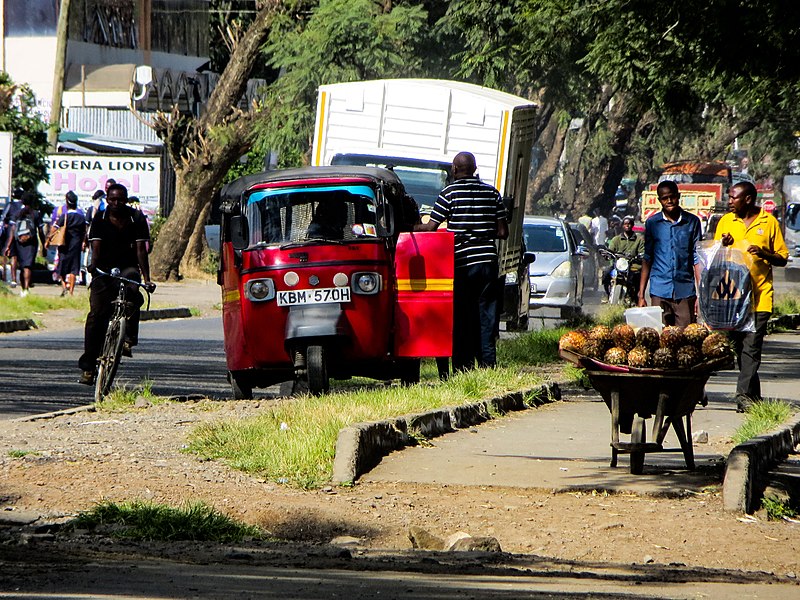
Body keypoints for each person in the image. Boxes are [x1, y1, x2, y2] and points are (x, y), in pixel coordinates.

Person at [414, 151, 508, 372]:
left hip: (462, 263)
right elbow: (503, 231)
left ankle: (462, 368)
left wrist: (409, 227)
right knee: (487, 317)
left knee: (463, 316)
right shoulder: (492, 193)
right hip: (487, 262)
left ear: (454, 170)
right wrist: (481, 231)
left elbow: (430, 228)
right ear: (475, 169)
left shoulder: (449, 193)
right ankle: (488, 366)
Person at [714, 181, 788, 412]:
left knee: (751, 347)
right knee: (740, 349)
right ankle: (754, 398)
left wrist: (764, 253)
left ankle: (743, 397)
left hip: (759, 298)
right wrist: (722, 245)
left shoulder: (769, 222)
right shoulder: (726, 221)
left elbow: (782, 258)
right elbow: (714, 256)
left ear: (747, 199)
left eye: (733, 198)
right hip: (732, 298)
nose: (729, 202)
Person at [78, 183, 155, 385]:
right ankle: (88, 367)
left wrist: (147, 279)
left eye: (120, 199)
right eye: (112, 199)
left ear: (126, 199)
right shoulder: (99, 219)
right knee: (96, 316)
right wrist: (93, 267)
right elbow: (96, 248)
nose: (116, 203)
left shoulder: (136, 218)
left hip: (128, 266)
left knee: (133, 293)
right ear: (107, 200)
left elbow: (141, 251)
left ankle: (128, 338)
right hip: (103, 269)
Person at [638, 180, 702, 327]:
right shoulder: (652, 223)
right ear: (659, 200)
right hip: (659, 290)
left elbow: (697, 258)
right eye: (664, 198)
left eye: (672, 197)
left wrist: (701, 294)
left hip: (685, 290)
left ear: (678, 196)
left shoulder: (692, 222)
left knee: (686, 338)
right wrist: (641, 294)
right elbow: (648, 258)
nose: (669, 201)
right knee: (660, 337)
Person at [3, 192, 45, 297]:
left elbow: (12, 230)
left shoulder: (18, 213)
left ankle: (23, 288)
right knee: (28, 266)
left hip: (18, 242)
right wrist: (44, 243)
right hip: (31, 243)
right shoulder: (35, 214)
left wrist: (8, 245)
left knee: (22, 266)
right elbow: (40, 231)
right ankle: (26, 288)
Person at [46, 191, 86, 296]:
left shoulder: (65, 216)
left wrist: (48, 239)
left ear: (67, 203)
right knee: (74, 268)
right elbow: (84, 232)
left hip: (64, 244)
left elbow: (55, 228)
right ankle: (71, 291)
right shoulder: (81, 217)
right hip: (76, 245)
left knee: (62, 266)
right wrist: (83, 242)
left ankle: (64, 287)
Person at [601, 215, 644, 301]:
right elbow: (610, 250)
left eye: (629, 224)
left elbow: (642, 252)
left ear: (632, 225)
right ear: (622, 226)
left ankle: (635, 297)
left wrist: (640, 256)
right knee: (606, 273)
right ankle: (607, 293)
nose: (627, 225)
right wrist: (607, 254)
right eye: (625, 224)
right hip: (618, 265)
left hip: (632, 265)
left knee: (637, 276)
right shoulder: (616, 239)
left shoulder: (639, 240)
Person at [0, 187, 24, 284]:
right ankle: (17, 279)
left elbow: (3, 217)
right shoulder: (24, 206)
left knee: (7, 254)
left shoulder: (10, 205)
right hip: (22, 231)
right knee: (17, 256)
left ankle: (6, 277)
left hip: (10, 231)